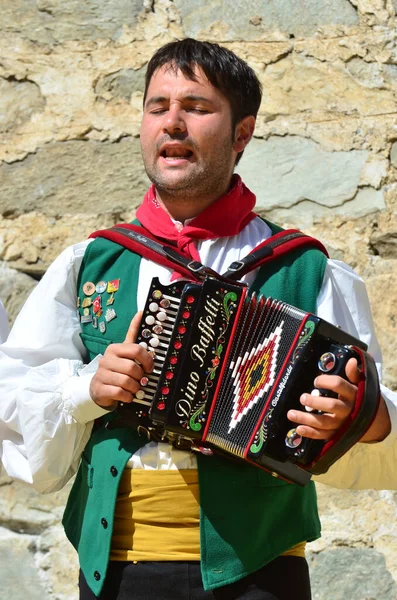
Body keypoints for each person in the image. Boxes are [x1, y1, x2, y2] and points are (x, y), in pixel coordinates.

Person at [0, 38, 396, 600]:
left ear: (242, 133)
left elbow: (376, 431)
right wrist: (87, 389)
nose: (173, 124)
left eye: (197, 107)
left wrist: (360, 416)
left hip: (259, 572)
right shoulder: (88, 264)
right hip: (115, 572)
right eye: (157, 107)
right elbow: (14, 405)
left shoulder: (309, 270)